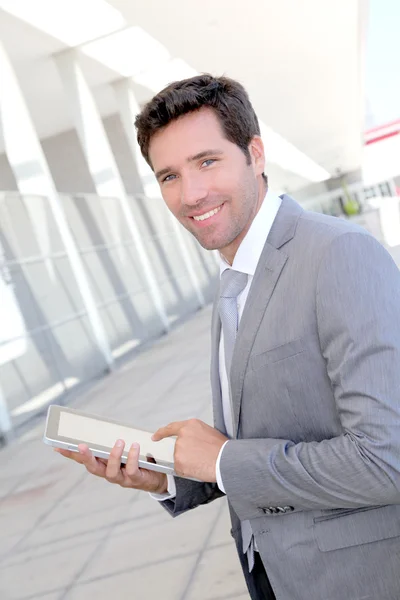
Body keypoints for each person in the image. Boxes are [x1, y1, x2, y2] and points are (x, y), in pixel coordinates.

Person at [56, 74, 400, 600]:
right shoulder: (234, 279)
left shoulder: (338, 254)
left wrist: (218, 460)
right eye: (168, 175)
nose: (190, 194)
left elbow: (385, 459)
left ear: (255, 154)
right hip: (273, 573)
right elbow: (265, 438)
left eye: (207, 162)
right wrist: (170, 477)